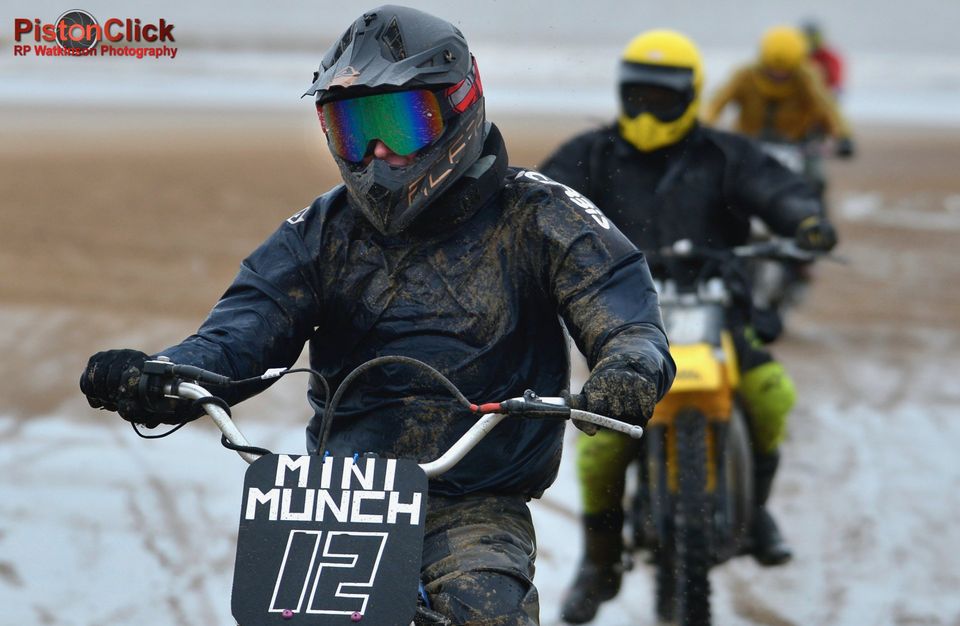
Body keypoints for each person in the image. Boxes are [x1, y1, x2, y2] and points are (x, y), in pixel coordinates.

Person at [78, 6, 675, 625]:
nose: (378, 152)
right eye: (353, 130)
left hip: (473, 505)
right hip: (332, 498)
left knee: (489, 609)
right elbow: (241, 329)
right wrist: (165, 374)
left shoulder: (543, 214)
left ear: (459, 107)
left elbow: (622, 308)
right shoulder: (319, 232)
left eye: (398, 122)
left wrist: (629, 366)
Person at [538, 29, 838, 624]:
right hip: (621, 319)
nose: (648, 111)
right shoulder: (593, 154)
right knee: (599, 445)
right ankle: (599, 562)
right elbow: (540, 199)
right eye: (638, 97)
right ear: (623, 94)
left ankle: (756, 511)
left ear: (691, 95)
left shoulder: (725, 154)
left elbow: (778, 187)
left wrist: (805, 217)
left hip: (717, 304)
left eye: (662, 99)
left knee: (771, 396)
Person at [703, 24, 855, 197]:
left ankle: (815, 220)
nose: (778, 75)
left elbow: (827, 107)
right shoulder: (745, 76)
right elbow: (716, 102)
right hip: (749, 144)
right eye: (772, 71)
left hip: (797, 146)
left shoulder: (807, 77)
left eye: (785, 72)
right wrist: (702, 127)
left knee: (816, 181)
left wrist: (843, 136)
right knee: (721, 183)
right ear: (763, 60)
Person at [801, 19, 846, 97]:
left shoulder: (830, 58)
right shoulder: (799, 57)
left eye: (813, 38)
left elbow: (836, 84)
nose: (811, 41)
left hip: (824, 96)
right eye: (807, 38)